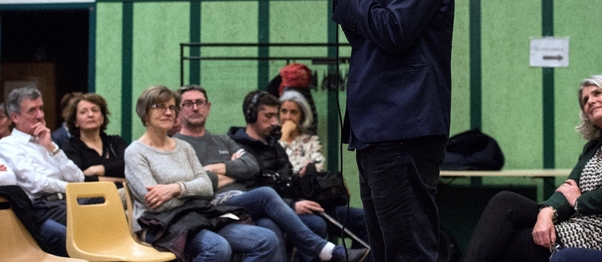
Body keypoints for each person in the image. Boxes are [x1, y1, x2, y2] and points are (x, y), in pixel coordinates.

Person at [313, 0, 455, 261]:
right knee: (386, 253)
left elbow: (394, 31)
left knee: (408, 253)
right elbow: (368, 38)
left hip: (403, 126)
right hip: (379, 128)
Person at [174, 84, 370, 262]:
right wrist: (231, 172)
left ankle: (325, 250)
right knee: (267, 199)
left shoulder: (224, 141)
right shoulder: (178, 145)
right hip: (214, 206)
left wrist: (213, 169)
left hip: (248, 200)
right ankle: (323, 249)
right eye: (188, 103)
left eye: (199, 102)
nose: (195, 107)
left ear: (208, 107)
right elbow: (195, 182)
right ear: (179, 109)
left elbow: (250, 166)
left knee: (277, 225)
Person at [459, 73, 602, 262]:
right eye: (585, 100)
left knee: (509, 242)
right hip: (579, 223)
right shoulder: (593, 148)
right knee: (505, 201)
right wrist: (546, 212)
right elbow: (568, 188)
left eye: (597, 93)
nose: (590, 101)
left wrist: (580, 201)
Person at [125, 85, 284, 262]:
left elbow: (207, 187)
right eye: (160, 107)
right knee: (217, 247)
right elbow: (156, 204)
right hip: (160, 224)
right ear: (144, 113)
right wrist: (193, 191)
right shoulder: (135, 152)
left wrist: (176, 188)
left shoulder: (184, 147)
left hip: (198, 216)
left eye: (171, 107)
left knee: (267, 239)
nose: (168, 112)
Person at [278, 89, 370, 259]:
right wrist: (283, 138)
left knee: (365, 219)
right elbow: (283, 174)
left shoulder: (311, 141)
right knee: (316, 225)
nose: (288, 117)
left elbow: (314, 175)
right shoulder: (274, 142)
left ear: (302, 115)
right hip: (290, 204)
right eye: (283, 111)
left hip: (317, 202)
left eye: (293, 112)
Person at [0, 87, 84, 256]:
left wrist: (51, 148)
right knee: (90, 226)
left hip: (68, 200)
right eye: (32, 110)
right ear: (15, 117)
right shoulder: (8, 145)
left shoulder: (45, 140)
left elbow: (79, 178)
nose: (40, 115)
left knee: (113, 209)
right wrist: (71, 188)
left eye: (41, 108)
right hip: (43, 206)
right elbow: (37, 184)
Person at [61, 93, 127, 184]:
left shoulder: (116, 142)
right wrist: (120, 180)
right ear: (75, 121)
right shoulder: (70, 148)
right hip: (90, 196)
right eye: (83, 112)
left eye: (95, 110)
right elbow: (79, 179)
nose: (90, 115)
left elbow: (128, 166)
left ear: (102, 118)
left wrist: (97, 170)